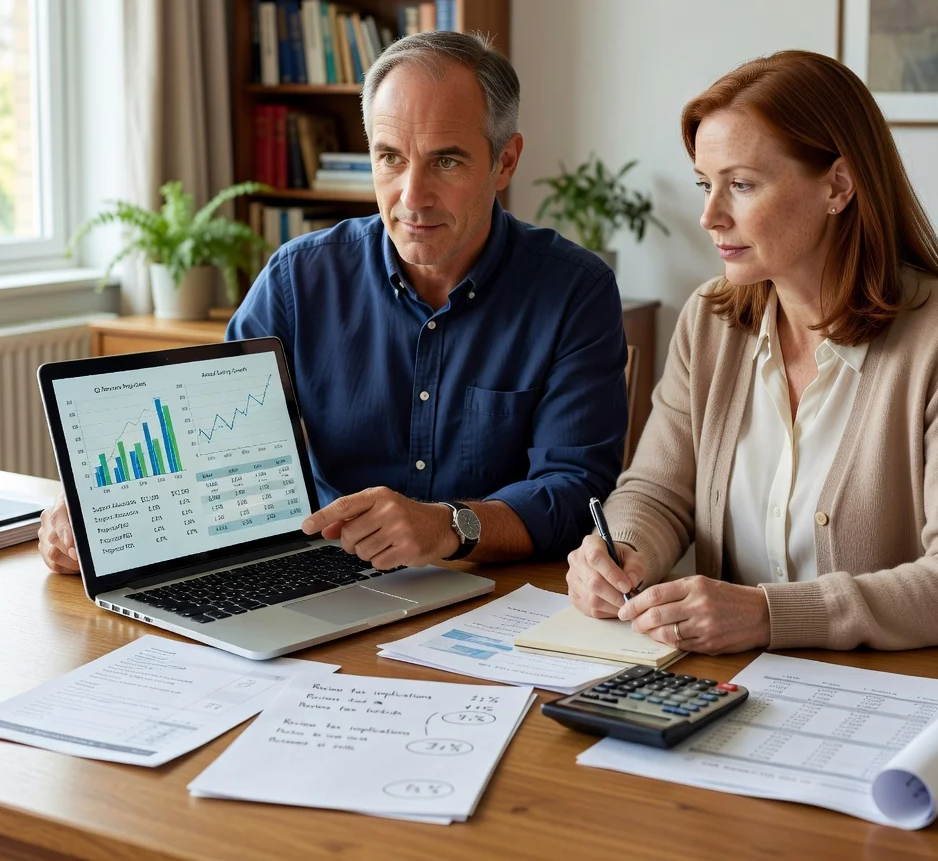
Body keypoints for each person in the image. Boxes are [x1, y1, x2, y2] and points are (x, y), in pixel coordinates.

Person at [39, 30, 628, 574]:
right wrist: (103, 513)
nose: (411, 197)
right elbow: (206, 440)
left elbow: (576, 490)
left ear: (505, 161)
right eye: (390, 158)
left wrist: (448, 526)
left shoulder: (575, 291)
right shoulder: (299, 279)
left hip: (493, 594)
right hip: (321, 579)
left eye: (445, 161)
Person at [567, 49, 938, 654]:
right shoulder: (709, 319)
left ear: (837, 185)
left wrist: (769, 615)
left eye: (742, 185)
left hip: (893, 698)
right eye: (706, 184)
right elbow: (656, 490)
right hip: (725, 685)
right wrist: (624, 548)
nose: (709, 215)